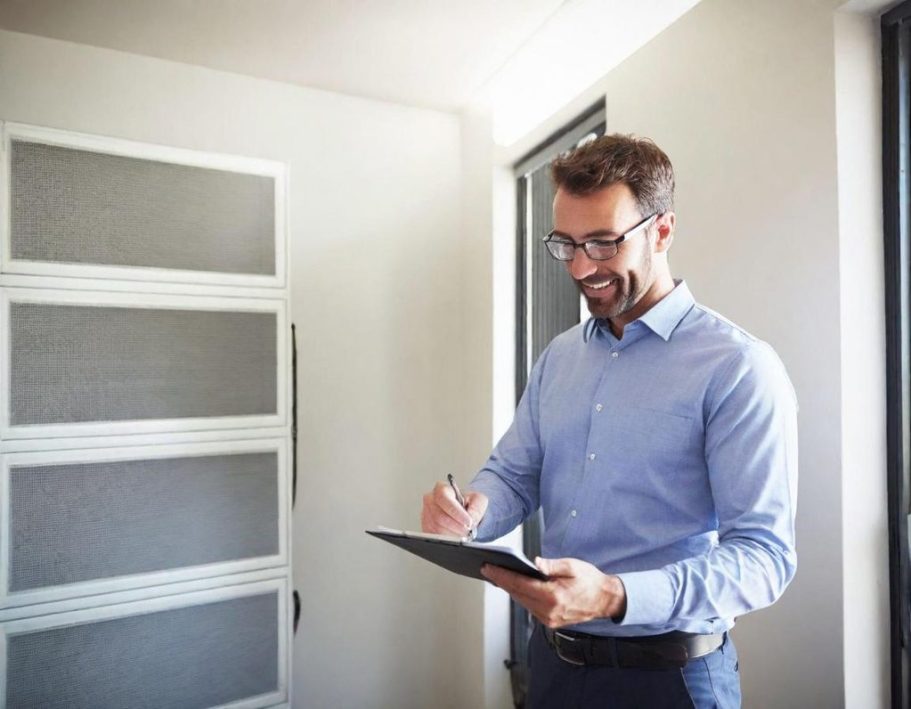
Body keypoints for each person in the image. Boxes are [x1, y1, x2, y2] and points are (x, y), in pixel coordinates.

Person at [420, 134, 798, 708]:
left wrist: (616, 596)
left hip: (671, 679)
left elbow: (764, 559)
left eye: (602, 243)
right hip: (553, 665)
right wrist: (471, 511)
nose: (580, 267)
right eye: (566, 244)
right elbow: (515, 474)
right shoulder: (559, 358)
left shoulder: (738, 367)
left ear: (662, 230)